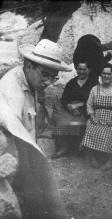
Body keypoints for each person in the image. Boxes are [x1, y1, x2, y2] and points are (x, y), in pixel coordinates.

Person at [0, 39, 72, 219]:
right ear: (29, 65)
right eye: (45, 75)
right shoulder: (11, 93)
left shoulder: (28, 78)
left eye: (53, 77)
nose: (48, 82)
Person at [81, 63, 112, 171]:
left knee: (109, 132)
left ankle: (110, 160)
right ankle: (92, 158)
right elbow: (89, 105)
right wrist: (92, 117)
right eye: (104, 73)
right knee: (91, 129)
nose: (106, 76)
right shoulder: (95, 89)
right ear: (100, 75)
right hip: (97, 117)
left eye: (109, 74)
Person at [51, 61, 98, 158]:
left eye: (84, 69)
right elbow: (64, 99)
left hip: (87, 109)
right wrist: (69, 107)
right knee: (60, 120)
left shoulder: (94, 83)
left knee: (86, 122)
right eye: (79, 69)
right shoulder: (71, 83)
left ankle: (82, 146)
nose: (81, 71)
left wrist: (80, 105)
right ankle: (63, 147)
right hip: (71, 109)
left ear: (89, 70)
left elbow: (96, 100)